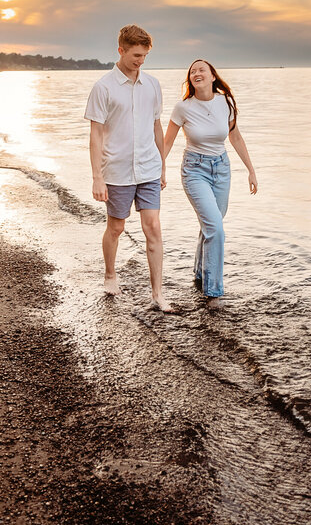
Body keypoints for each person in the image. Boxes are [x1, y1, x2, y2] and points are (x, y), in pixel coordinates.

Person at [84, 24, 172, 312]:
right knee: (116, 228)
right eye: (136, 55)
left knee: (153, 228)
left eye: (145, 56)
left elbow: (156, 125)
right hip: (117, 172)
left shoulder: (153, 85)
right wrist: (97, 177)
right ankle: (110, 273)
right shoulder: (103, 87)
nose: (140, 61)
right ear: (120, 50)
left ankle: (157, 294)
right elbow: (95, 134)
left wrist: (162, 166)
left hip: (148, 168)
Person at [163, 59, 257, 309]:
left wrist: (251, 169)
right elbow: (167, 141)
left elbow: (235, 135)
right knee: (215, 226)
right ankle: (213, 292)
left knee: (211, 224)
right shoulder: (183, 107)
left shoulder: (224, 102)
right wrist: (158, 169)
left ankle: (199, 273)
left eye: (201, 69)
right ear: (190, 79)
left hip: (222, 169)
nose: (196, 73)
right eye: (192, 71)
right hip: (194, 170)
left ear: (213, 76)